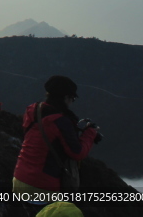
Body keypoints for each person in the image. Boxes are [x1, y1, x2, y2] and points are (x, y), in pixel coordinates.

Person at [13, 76, 101, 210]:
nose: (72, 102)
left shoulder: (33, 110)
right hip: (43, 186)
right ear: (66, 97)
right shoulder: (61, 121)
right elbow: (77, 152)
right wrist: (90, 133)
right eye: (73, 98)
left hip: (19, 179)